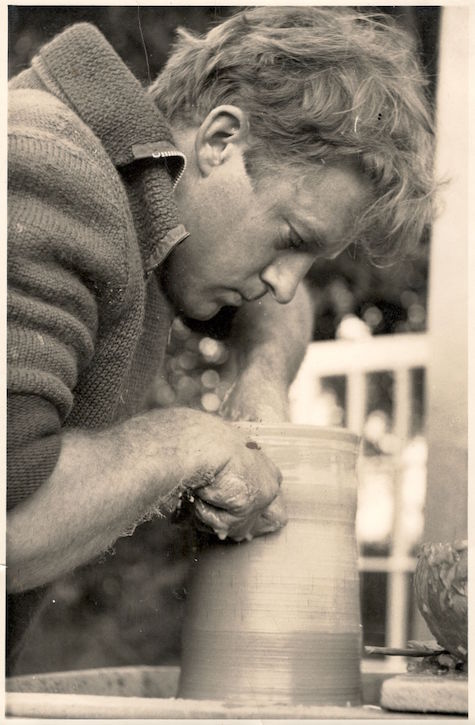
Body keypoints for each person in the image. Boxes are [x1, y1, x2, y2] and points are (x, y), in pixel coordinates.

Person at [7, 7, 435, 668]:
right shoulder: (49, 169)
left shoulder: (150, 201)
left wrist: (259, 374)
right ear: (219, 141)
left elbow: (285, 309)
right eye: (290, 238)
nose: (286, 285)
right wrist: (184, 445)